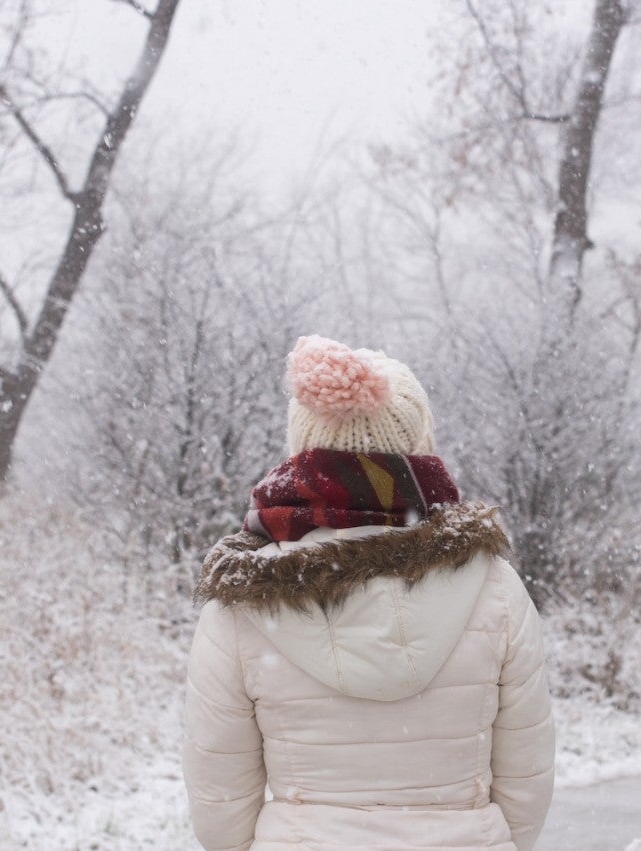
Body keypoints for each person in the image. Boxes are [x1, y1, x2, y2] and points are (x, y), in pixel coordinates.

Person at [183, 335, 555, 851]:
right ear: (418, 449)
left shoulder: (244, 599)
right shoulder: (494, 586)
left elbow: (219, 795)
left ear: (301, 451)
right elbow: (527, 776)